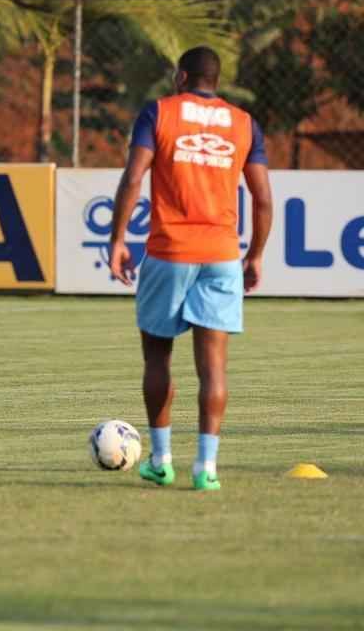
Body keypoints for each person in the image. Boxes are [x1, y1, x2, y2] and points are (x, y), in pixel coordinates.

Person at [109, 46, 272, 491]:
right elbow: (262, 198)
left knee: (158, 356)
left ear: (181, 77)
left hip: (169, 252)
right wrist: (254, 254)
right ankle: (207, 469)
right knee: (214, 369)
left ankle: (161, 460)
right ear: (216, 80)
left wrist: (118, 238)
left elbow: (133, 177)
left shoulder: (159, 113)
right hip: (222, 254)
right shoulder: (244, 124)